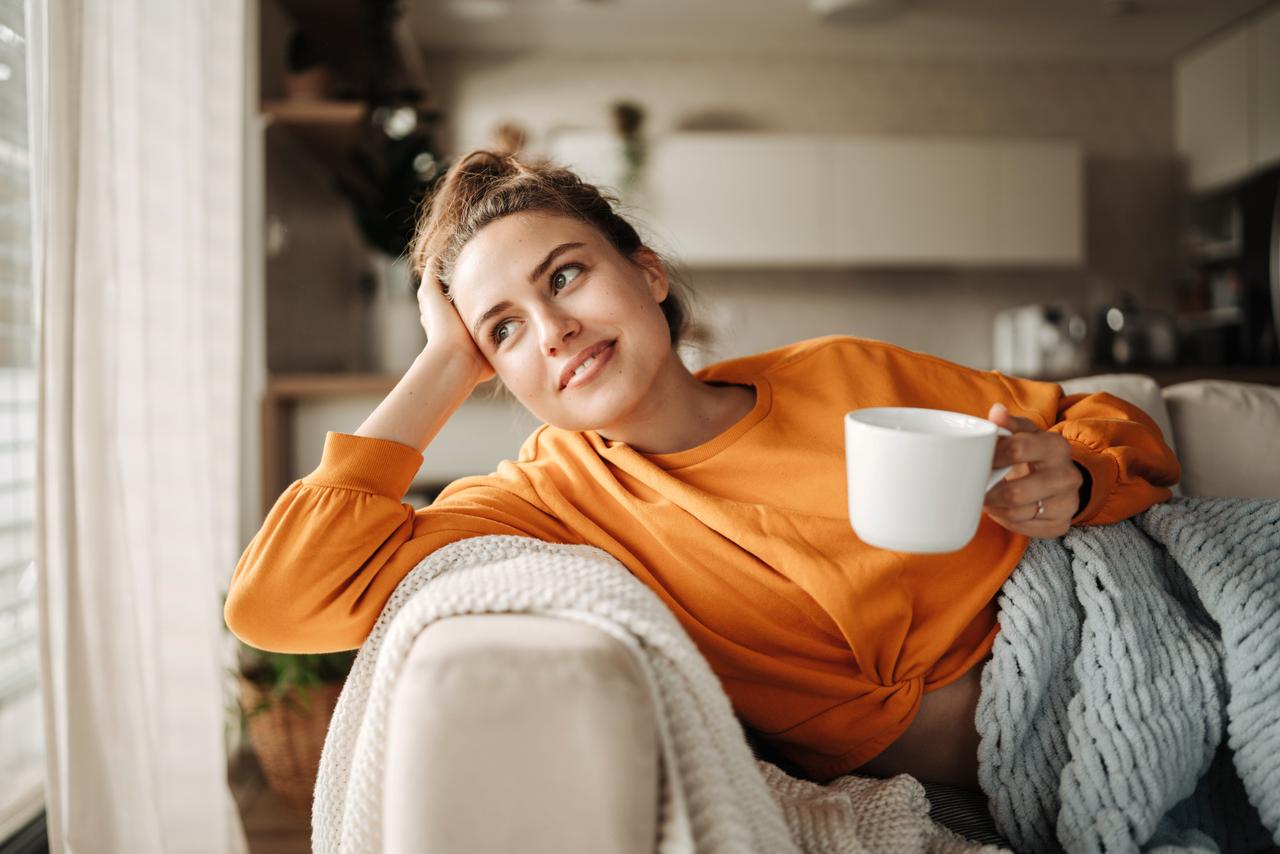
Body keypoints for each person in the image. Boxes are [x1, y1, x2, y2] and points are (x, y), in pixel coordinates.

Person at [224, 150, 1180, 791]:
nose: (552, 330)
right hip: (1003, 778)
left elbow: (1110, 420)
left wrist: (1080, 476)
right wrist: (438, 367)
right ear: (490, 371)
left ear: (646, 274)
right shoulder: (546, 501)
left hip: (1113, 645)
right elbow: (277, 600)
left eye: (564, 276)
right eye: (503, 330)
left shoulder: (843, 372)